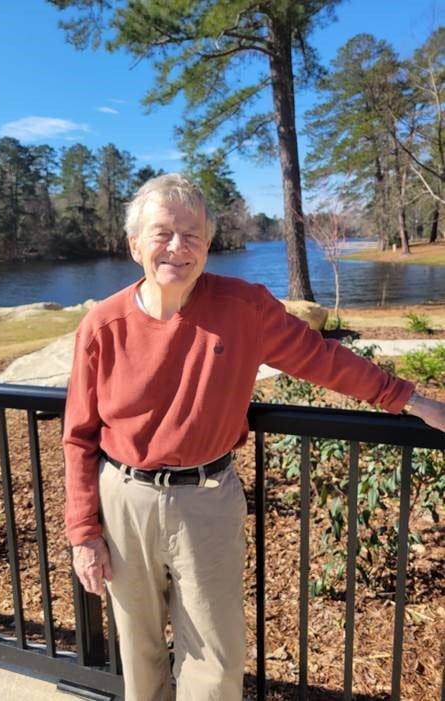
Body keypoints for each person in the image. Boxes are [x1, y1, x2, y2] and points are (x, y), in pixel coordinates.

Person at [62, 173, 445, 701]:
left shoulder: (243, 307)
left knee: (216, 658)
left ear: (209, 244)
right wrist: (83, 532)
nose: (178, 247)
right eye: (162, 233)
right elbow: (79, 436)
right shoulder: (102, 326)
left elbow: (321, 359)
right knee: (139, 648)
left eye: (192, 235)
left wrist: (411, 399)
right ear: (134, 245)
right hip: (123, 499)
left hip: (208, 499)